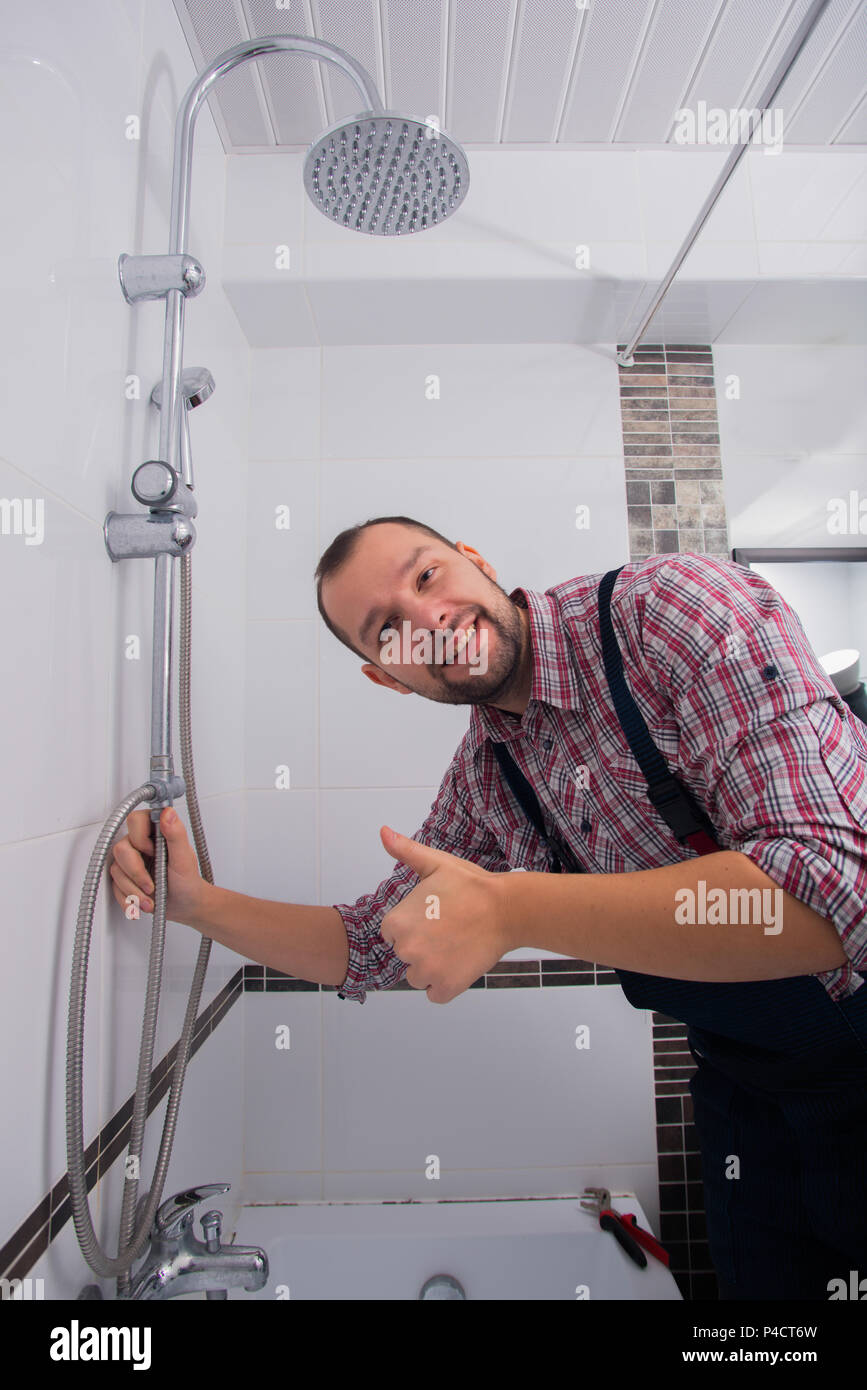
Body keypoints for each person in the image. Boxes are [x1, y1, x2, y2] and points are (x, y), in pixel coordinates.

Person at [110, 515, 867, 1301]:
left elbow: (835, 892)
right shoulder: (484, 780)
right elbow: (368, 946)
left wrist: (512, 909)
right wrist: (197, 905)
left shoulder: (669, 612)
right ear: (387, 677)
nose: (427, 619)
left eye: (427, 576)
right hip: (746, 1087)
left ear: (474, 559)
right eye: (388, 629)